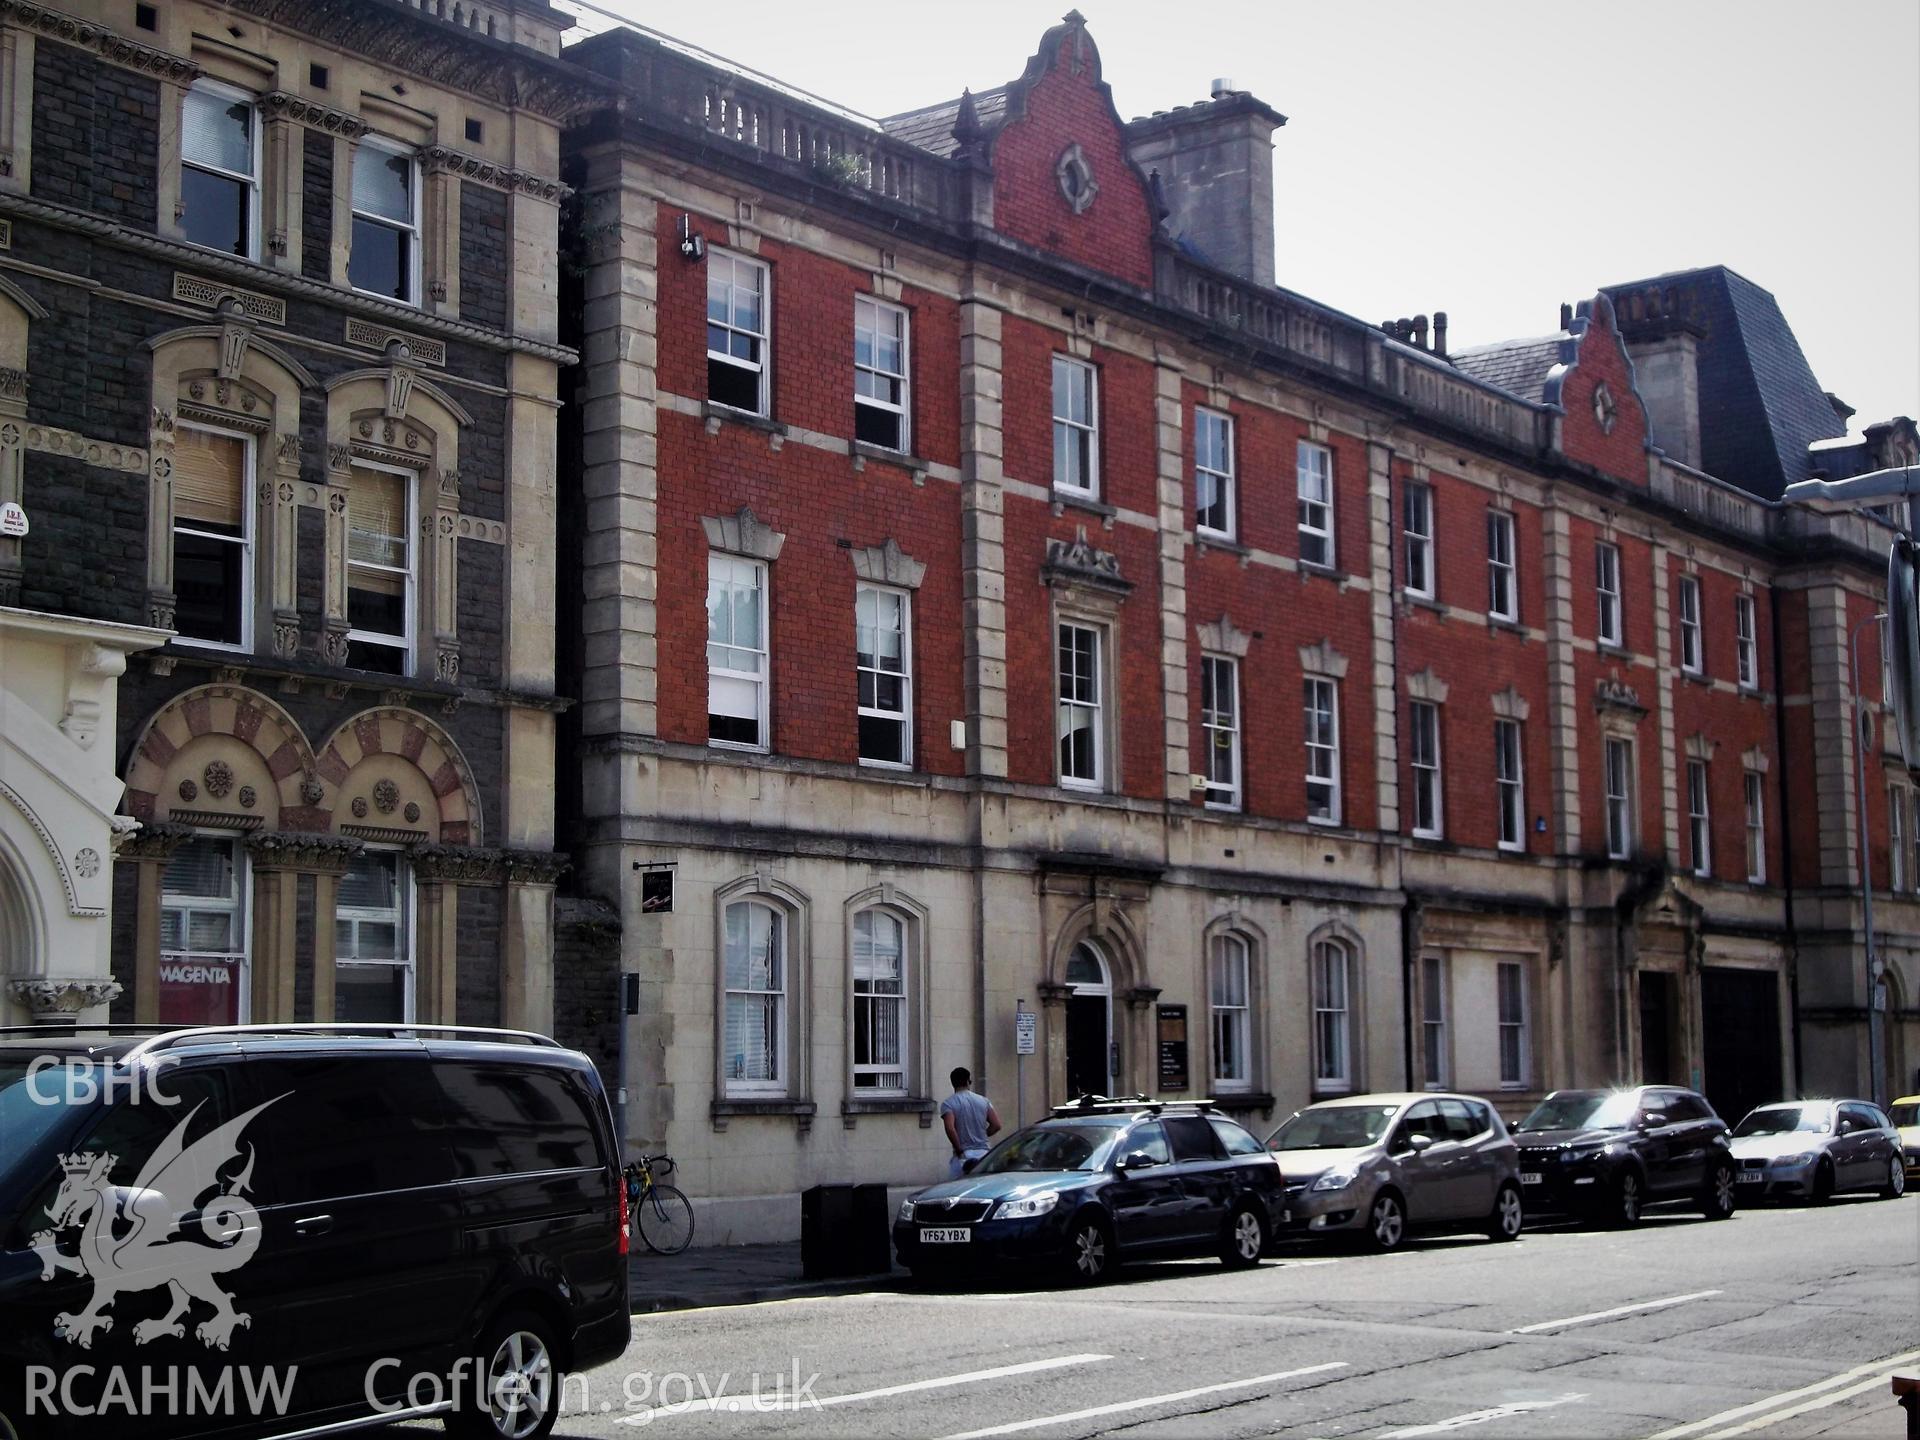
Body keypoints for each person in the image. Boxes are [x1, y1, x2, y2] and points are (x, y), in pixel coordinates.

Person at [940, 1066, 1001, 1179]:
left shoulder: (948, 1104)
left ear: (953, 1083)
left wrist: (959, 1149)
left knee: (957, 1188)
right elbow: (996, 1125)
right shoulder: (983, 1100)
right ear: (969, 1082)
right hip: (984, 1154)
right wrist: (982, 1134)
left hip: (964, 1154)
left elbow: (950, 1128)